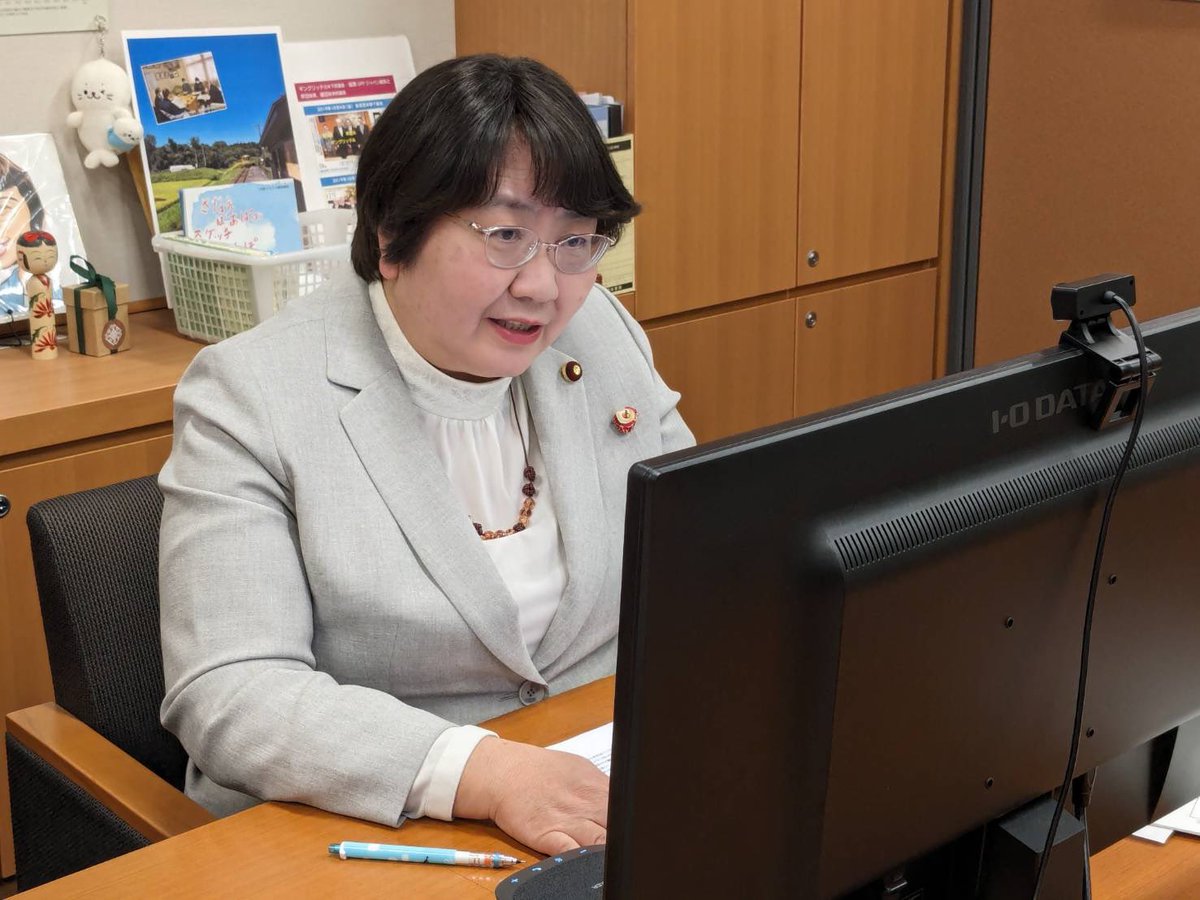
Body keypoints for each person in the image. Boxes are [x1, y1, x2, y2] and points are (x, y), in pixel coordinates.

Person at [158, 54, 694, 857]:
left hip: (602, 786)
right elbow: (230, 690)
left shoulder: (600, 333)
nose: (544, 287)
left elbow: (703, 550)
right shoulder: (252, 394)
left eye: (576, 240)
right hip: (370, 827)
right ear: (392, 235)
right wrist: (484, 771)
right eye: (506, 235)